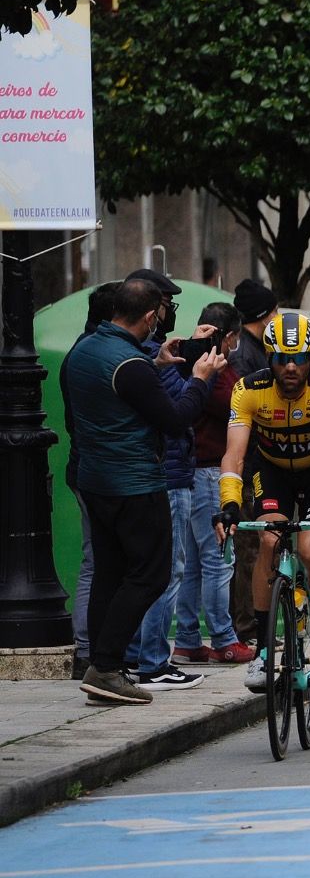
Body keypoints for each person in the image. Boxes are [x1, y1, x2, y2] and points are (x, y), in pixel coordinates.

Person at [63, 278, 227, 705]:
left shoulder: (86, 351)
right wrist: (200, 377)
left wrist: (157, 363)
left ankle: (101, 664)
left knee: (109, 573)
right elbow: (177, 418)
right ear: (152, 315)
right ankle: (108, 666)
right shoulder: (129, 365)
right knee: (151, 574)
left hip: (95, 481)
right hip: (135, 483)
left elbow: (118, 391)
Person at [215, 312, 310, 691]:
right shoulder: (248, 388)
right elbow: (234, 455)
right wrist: (229, 505)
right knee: (269, 542)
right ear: (269, 359)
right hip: (272, 469)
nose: (290, 367)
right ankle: (262, 651)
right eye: (280, 359)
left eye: (299, 359)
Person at [172, 302, 255, 665]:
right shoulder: (216, 372)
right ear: (231, 336)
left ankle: (189, 637)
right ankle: (223, 637)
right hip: (209, 473)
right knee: (219, 559)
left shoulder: (190, 364)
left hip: (192, 470)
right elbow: (235, 406)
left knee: (192, 563)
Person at [60, 282, 121, 679]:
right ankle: (91, 649)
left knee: (95, 560)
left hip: (85, 468)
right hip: (99, 471)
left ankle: (90, 647)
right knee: (100, 561)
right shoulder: (96, 354)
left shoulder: (80, 351)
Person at [227, 277, 277, 642]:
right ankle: (247, 628)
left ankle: (256, 625)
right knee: (250, 549)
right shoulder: (246, 356)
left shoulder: (255, 348)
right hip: (251, 466)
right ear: (264, 314)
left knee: (259, 546)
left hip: (258, 463)